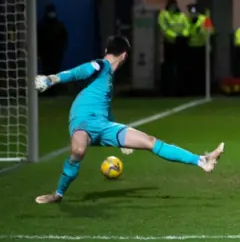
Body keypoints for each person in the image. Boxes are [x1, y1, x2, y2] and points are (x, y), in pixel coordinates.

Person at [32, 36, 225, 204]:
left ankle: (202, 161)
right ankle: (58, 194)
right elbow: (78, 72)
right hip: (82, 121)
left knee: (150, 141)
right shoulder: (101, 64)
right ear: (124, 55)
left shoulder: (107, 79)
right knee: (78, 150)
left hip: (104, 125)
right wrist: (52, 79)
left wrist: (118, 134)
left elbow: (105, 110)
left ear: (108, 50)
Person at [158, 0, 190, 96]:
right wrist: (174, 37)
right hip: (170, 44)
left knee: (181, 68)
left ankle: (181, 90)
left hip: (181, 44)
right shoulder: (164, 14)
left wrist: (183, 36)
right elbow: (163, 28)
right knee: (169, 68)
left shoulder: (182, 15)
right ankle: (169, 91)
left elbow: (187, 26)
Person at [37, 4, 68, 95]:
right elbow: (39, 39)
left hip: (55, 54)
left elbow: (63, 39)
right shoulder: (42, 25)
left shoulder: (59, 25)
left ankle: (53, 91)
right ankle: (47, 91)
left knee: (54, 72)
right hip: (46, 54)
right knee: (47, 72)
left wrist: (61, 50)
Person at [186, 4, 214, 95]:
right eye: (191, 13)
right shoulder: (188, 20)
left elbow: (211, 31)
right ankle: (192, 90)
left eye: (194, 13)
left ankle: (202, 90)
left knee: (202, 71)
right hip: (191, 48)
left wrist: (203, 32)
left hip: (202, 48)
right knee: (192, 71)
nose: (193, 15)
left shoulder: (204, 19)